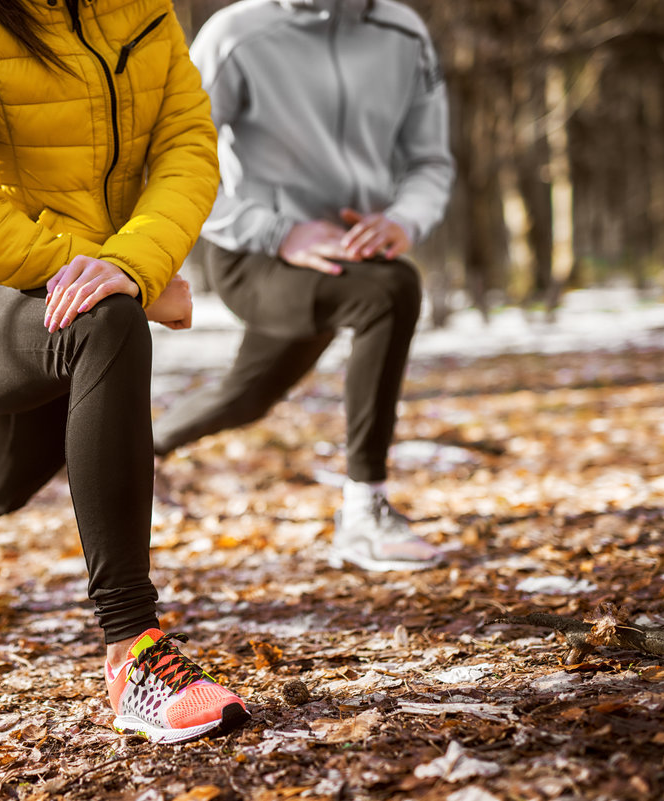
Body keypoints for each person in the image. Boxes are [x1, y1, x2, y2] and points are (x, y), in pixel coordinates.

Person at [0, 0, 249, 744]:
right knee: (106, 321)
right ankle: (135, 652)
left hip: (95, 292)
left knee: (6, 478)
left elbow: (188, 147)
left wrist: (131, 264)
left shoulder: (142, 8)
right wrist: (119, 282)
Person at [153, 0, 456, 572]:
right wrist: (279, 232)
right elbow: (177, 160)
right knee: (392, 291)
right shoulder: (236, 35)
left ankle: (140, 450)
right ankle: (364, 513)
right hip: (255, 256)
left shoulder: (401, 31)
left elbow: (429, 161)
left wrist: (403, 220)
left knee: (249, 395)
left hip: (349, 256)